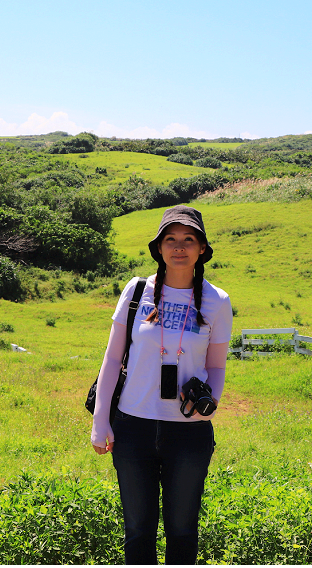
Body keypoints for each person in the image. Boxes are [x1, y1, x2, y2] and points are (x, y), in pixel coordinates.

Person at [91, 205, 233, 565]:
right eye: (170, 239)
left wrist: (208, 402)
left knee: (183, 531)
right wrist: (100, 421)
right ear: (159, 247)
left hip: (188, 433)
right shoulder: (137, 291)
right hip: (132, 429)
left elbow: (216, 366)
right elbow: (111, 358)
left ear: (202, 248)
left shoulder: (217, 301)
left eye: (189, 239)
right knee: (138, 530)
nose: (179, 246)